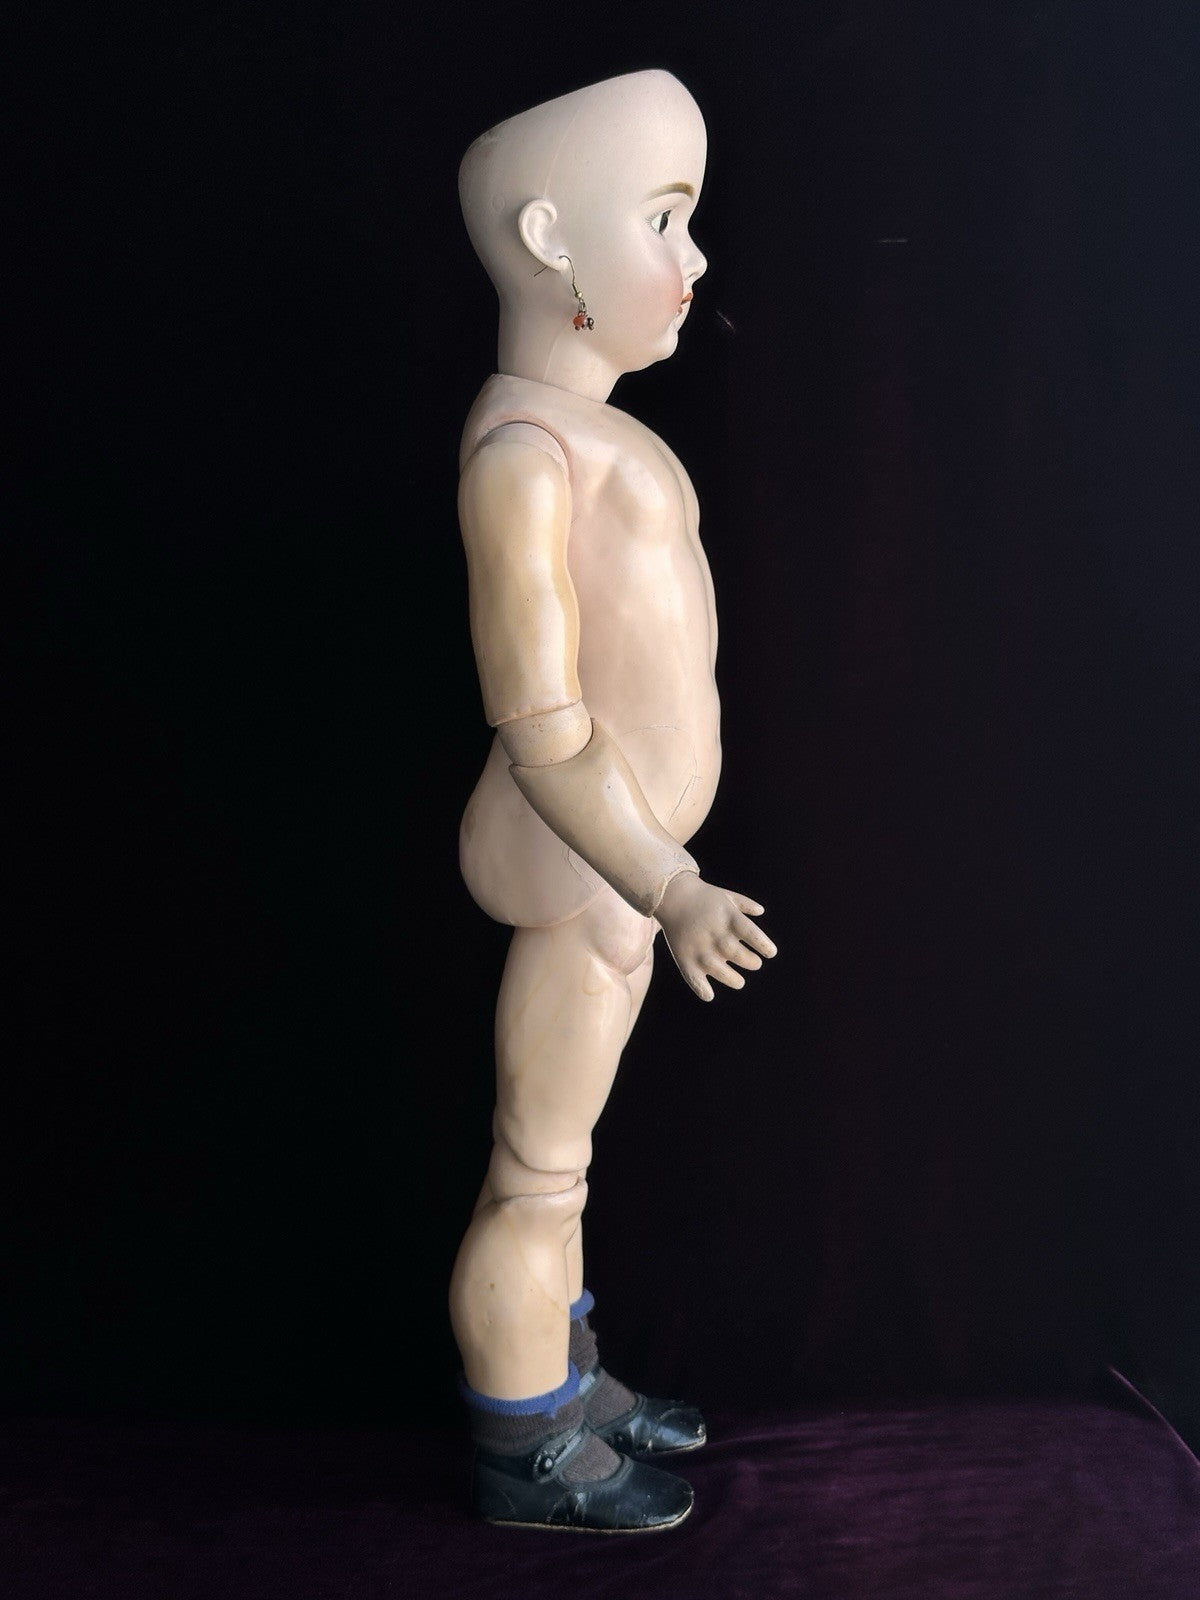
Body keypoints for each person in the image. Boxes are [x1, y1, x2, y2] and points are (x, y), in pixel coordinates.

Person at [448, 68, 776, 1532]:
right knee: (538, 1167)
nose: (695, 259)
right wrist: (666, 880)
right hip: (587, 868)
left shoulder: (578, 434)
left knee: (564, 1166)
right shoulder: (519, 457)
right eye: (662, 219)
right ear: (548, 241)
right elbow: (541, 726)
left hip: (621, 879)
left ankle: (564, 1383)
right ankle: (521, 1440)